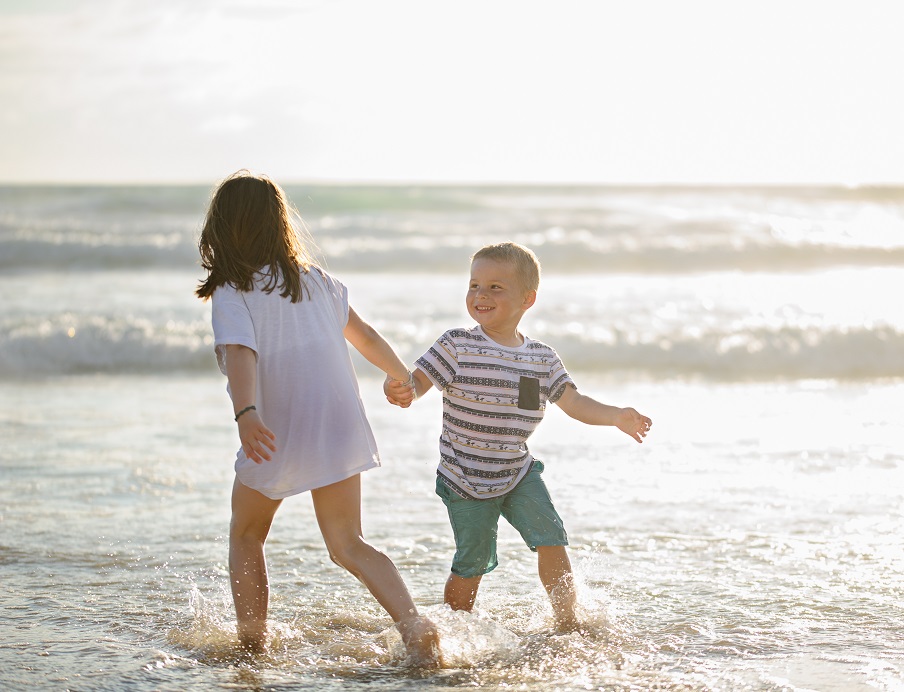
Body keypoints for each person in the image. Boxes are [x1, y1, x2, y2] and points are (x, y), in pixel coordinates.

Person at [196, 170, 440, 665]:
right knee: (348, 542)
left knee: (246, 533)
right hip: (338, 421)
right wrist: (402, 377)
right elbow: (366, 335)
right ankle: (414, 624)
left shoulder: (232, 290)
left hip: (277, 427)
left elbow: (241, 351)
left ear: (220, 229)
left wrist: (246, 412)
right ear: (280, 224)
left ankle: (252, 643)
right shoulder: (320, 282)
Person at [384, 242, 652, 631]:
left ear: (528, 299)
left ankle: (567, 620)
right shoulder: (458, 343)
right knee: (472, 562)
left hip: (518, 471)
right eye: (475, 285)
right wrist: (402, 389)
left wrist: (616, 416)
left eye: (496, 287)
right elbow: (419, 381)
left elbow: (573, 403)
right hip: (465, 478)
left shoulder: (540, 358)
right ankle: (458, 629)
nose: (481, 294)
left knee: (552, 539)